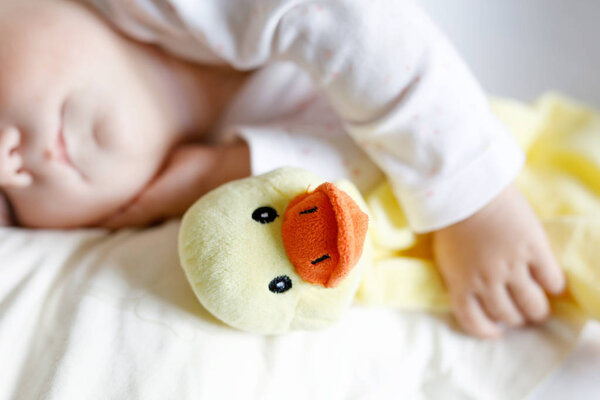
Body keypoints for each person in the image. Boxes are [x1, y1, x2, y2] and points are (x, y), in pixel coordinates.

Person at [0, 0, 565, 338]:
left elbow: (351, 20)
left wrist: (475, 199)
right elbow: (370, 165)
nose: (9, 166)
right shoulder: (237, 146)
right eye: (4, 207)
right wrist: (219, 172)